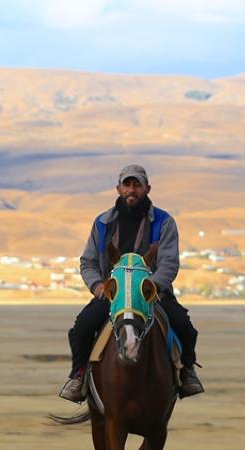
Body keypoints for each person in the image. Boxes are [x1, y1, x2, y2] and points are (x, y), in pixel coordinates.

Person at [59, 164, 203, 402]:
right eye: (127, 185)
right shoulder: (102, 223)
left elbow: (169, 263)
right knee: (82, 327)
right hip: (113, 296)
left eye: (137, 185)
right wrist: (97, 286)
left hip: (152, 295)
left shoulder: (164, 222)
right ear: (118, 188)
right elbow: (88, 262)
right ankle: (78, 376)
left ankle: (186, 372)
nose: (132, 190)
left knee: (184, 326)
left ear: (147, 189)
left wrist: (149, 288)